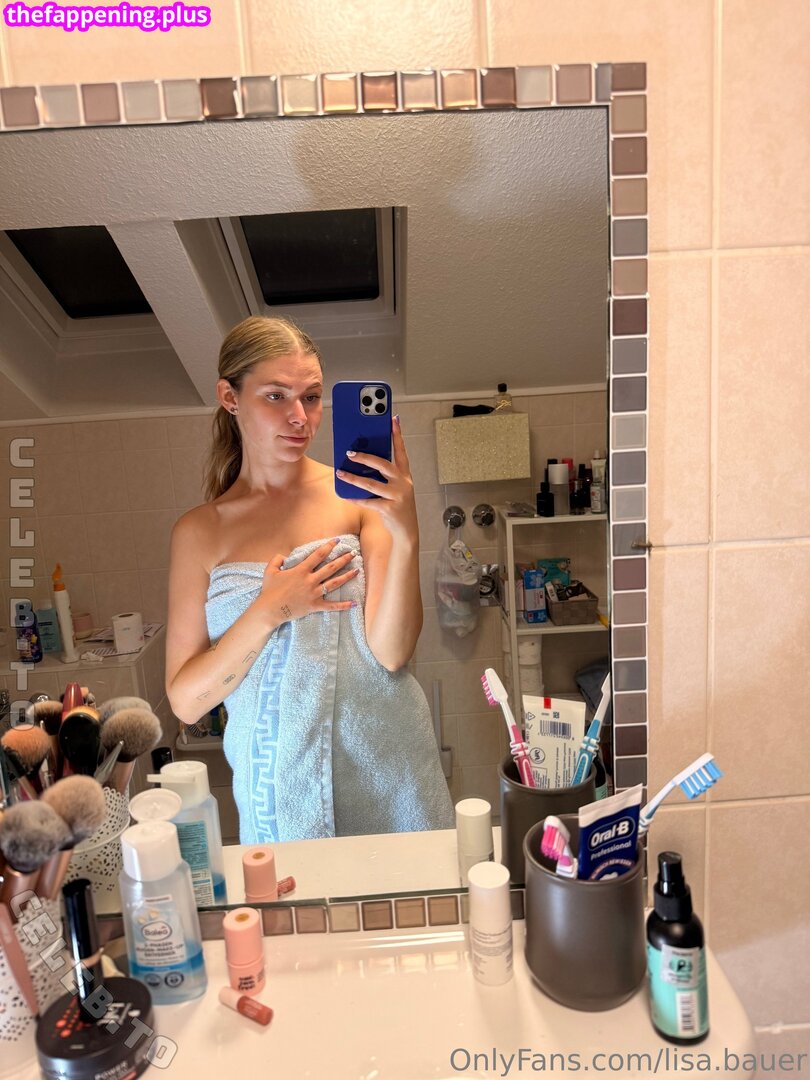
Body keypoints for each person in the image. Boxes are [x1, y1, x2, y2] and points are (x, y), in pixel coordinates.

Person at [165, 315, 454, 843]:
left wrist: (407, 530)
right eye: (276, 396)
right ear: (230, 397)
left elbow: (392, 653)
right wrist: (271, 609)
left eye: (312, 397)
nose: (300, 417)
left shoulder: (358, 498)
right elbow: (186, 702)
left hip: (390, 775)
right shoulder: (199, 532)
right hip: (281, 796)